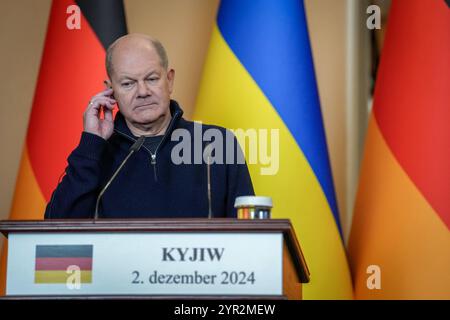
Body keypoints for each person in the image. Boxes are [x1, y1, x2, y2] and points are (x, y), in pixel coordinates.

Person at [44, 33, 254, 219]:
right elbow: (54, 231)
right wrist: (92, 144)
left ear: (169, 80)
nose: (143, 91)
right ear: (111, 91)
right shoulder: (96, 153)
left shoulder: (218, 143)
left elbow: (251, 236)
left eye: (152, 79)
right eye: (128, 83)